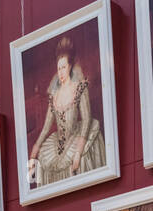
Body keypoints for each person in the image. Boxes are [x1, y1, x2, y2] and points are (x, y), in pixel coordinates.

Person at [27, 36, 106, 188]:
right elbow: (45, 128)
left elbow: (87, 119)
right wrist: (32, 155)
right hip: (58, 143)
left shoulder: (79, 88)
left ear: (70, 67)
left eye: (63, 67)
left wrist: (78, 152)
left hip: (77, 137)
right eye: (59, 68)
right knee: (44, 162)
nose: (61, 72)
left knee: (80, 160)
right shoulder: (54, 95)